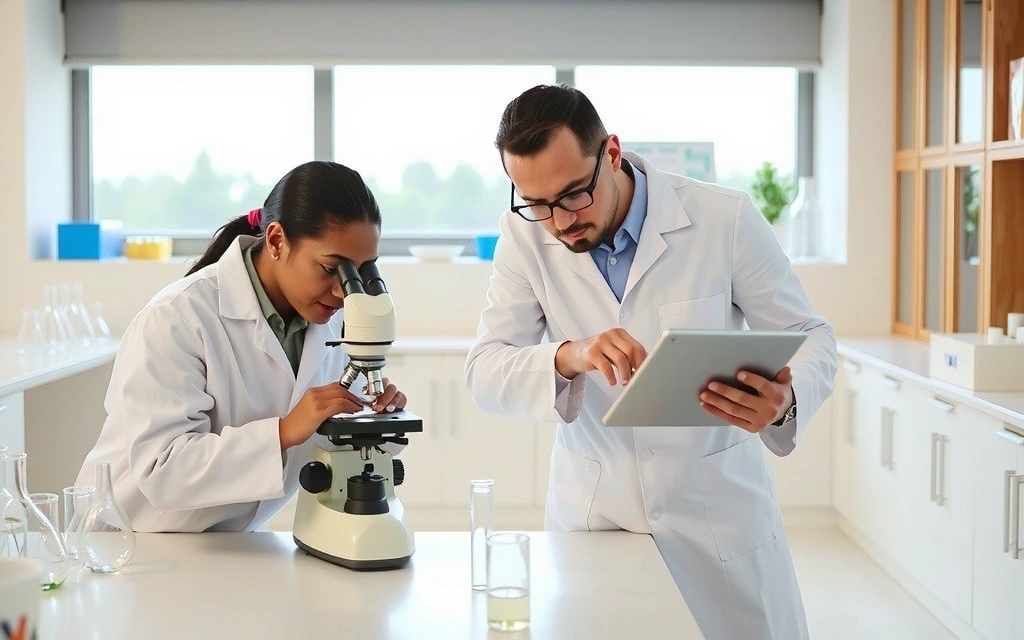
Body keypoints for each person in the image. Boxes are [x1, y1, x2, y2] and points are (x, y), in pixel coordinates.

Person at [464, 85, 837, 639]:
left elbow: (810, 335)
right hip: (597, 518)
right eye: (536, 204)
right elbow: (485, 371)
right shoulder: (523, 237)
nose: (558, 222)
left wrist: (785, 402)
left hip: (718, 522)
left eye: (572, 196)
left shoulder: (722, 218)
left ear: (611, 153)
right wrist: (571, 356)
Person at [75, 161, 408, 533]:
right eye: (332, 269)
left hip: (230, 547)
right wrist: (283, 431)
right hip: (133, 542)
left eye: (361, 272)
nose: (343, 292)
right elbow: (163, 470)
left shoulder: (330, 320)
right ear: (277, 240)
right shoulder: (178, 317)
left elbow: (334, 446)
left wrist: (374, 419)